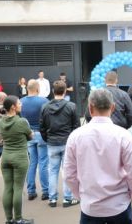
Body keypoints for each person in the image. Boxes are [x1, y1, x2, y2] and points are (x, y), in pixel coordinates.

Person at [64, 89, 132, 224]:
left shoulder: (75, 136)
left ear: (90, 108)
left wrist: (80, 194)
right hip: (119, 205)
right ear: (113, 107)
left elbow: (68, 174)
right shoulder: (123, 135)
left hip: (90, 207)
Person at [40, 80, 80, 208]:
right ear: (65, 91)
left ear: (53, 91)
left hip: (52, 142)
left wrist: (47, 139)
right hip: (67, 142)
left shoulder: (45, 107)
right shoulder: (71, 106)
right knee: (67, 171)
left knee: (53, 171)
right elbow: (76, 126)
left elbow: (42, 126)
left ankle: (52, 199)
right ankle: (67, 199)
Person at [0, 95, 34, 224]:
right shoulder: (21, 122)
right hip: (20, 158)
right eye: (19, 103)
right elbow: (30, 137)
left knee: (8, 188)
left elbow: (4, 137)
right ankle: (18, 219)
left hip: (6, 157)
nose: (21, 104)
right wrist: (31, 134)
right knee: (18, 188)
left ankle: (9, 219)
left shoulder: (0, 121)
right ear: (13, 107)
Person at [21, 79, 49, 201]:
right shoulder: (43, 101)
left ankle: (31, 191)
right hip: (42, 135)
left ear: (27, 88)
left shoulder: (20, 102)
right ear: (37, 88)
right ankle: (46, 191)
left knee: (32, 163)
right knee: (43, 163)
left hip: (28, 135)